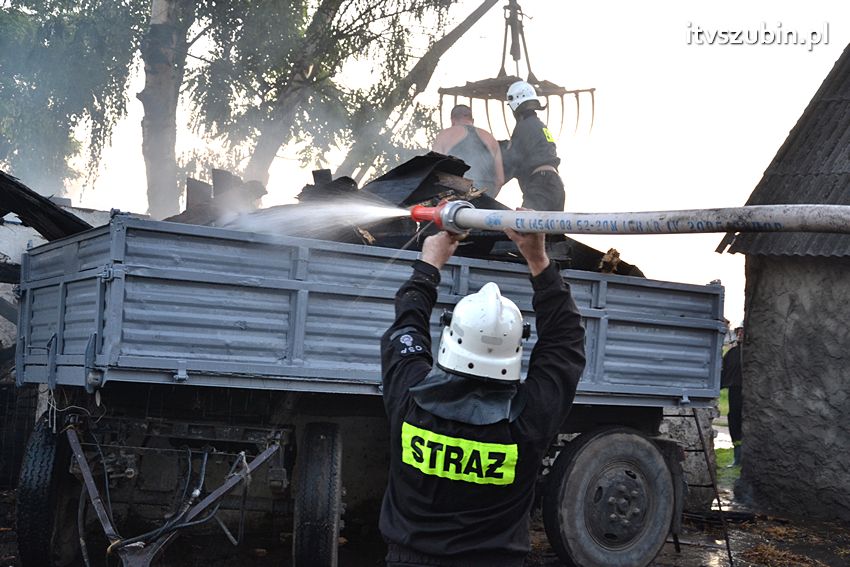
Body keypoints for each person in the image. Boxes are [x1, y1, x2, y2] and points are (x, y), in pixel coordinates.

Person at [379, 228, 586, 567]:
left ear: (449, 335)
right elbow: (565, 345)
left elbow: (407, 326)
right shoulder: (530, 417)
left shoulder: (410, 394)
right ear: (516, 347)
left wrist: (430, 262)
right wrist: (538, 258)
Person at [501, 81, 565, 211]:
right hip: (555, 184)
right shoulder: (539, 125)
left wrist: (492, 183)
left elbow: (512, 162)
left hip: (540, 184)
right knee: (552, 229)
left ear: (515, 104)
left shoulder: (523, 127)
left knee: (526, 227)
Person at [432, 104, 505, 198]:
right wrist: (488, 199)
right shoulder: (490, 138)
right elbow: (500, 180)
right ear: (472, 120)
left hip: (456, 199)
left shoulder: (445, 135)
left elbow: (434, 170)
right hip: (485, 197)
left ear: (452, 120)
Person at [721, 324, 744, 466]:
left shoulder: (752, 353)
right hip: (734, 391)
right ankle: (737, 458)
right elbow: (724, 370)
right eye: (739, 332)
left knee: (744, 422)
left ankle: (744, 458)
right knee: (734, 421)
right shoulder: (733, 352)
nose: (740, 334)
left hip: (749, 394)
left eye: (742, 331)